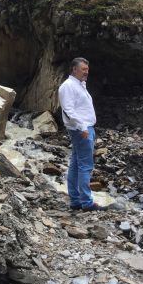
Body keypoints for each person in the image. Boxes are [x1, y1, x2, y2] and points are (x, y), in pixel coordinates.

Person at [58, 57, 106, 212]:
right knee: (86, 166)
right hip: (81, 130)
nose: (87, 72)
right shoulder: (68, 86)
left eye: (87, 69)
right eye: (83, 69)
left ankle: (76, 200)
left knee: (76, 164)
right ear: (74, 69)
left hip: (82, 128)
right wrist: (82, 127)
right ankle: (87, 202)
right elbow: (68, 109)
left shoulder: (79, 85)